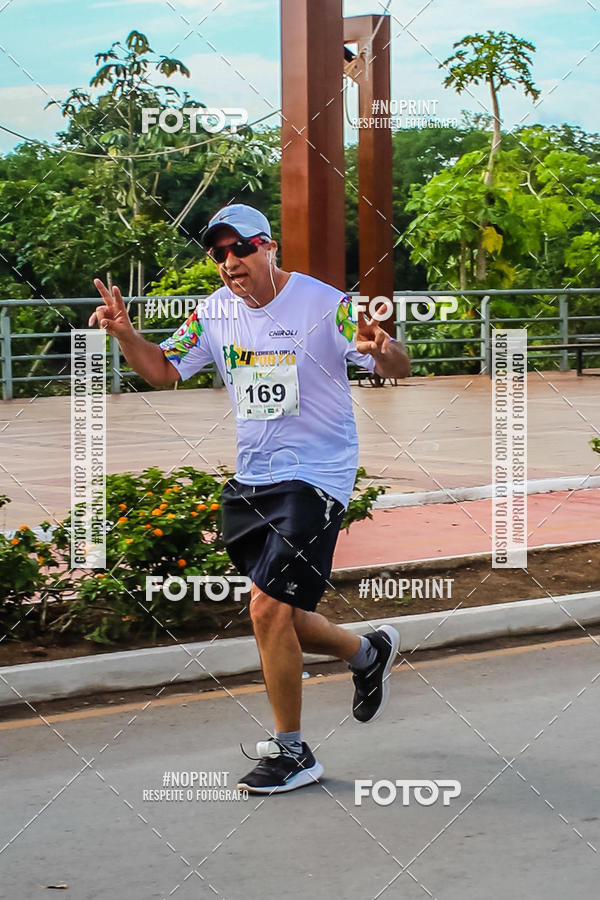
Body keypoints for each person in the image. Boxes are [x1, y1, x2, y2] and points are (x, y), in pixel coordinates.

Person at [90, 203, 411, 795]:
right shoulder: (211, 314)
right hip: (252, 480)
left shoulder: (324, 303)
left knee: (265, 609)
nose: (229, 262)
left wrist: (384, 351)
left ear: (268, 248)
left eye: (240, 248)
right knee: (285, 616)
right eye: (218, 253)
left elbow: (395, 364)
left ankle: (292, 752)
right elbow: (163, 371)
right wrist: (126, 333)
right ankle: (367, 653)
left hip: (316, 477)